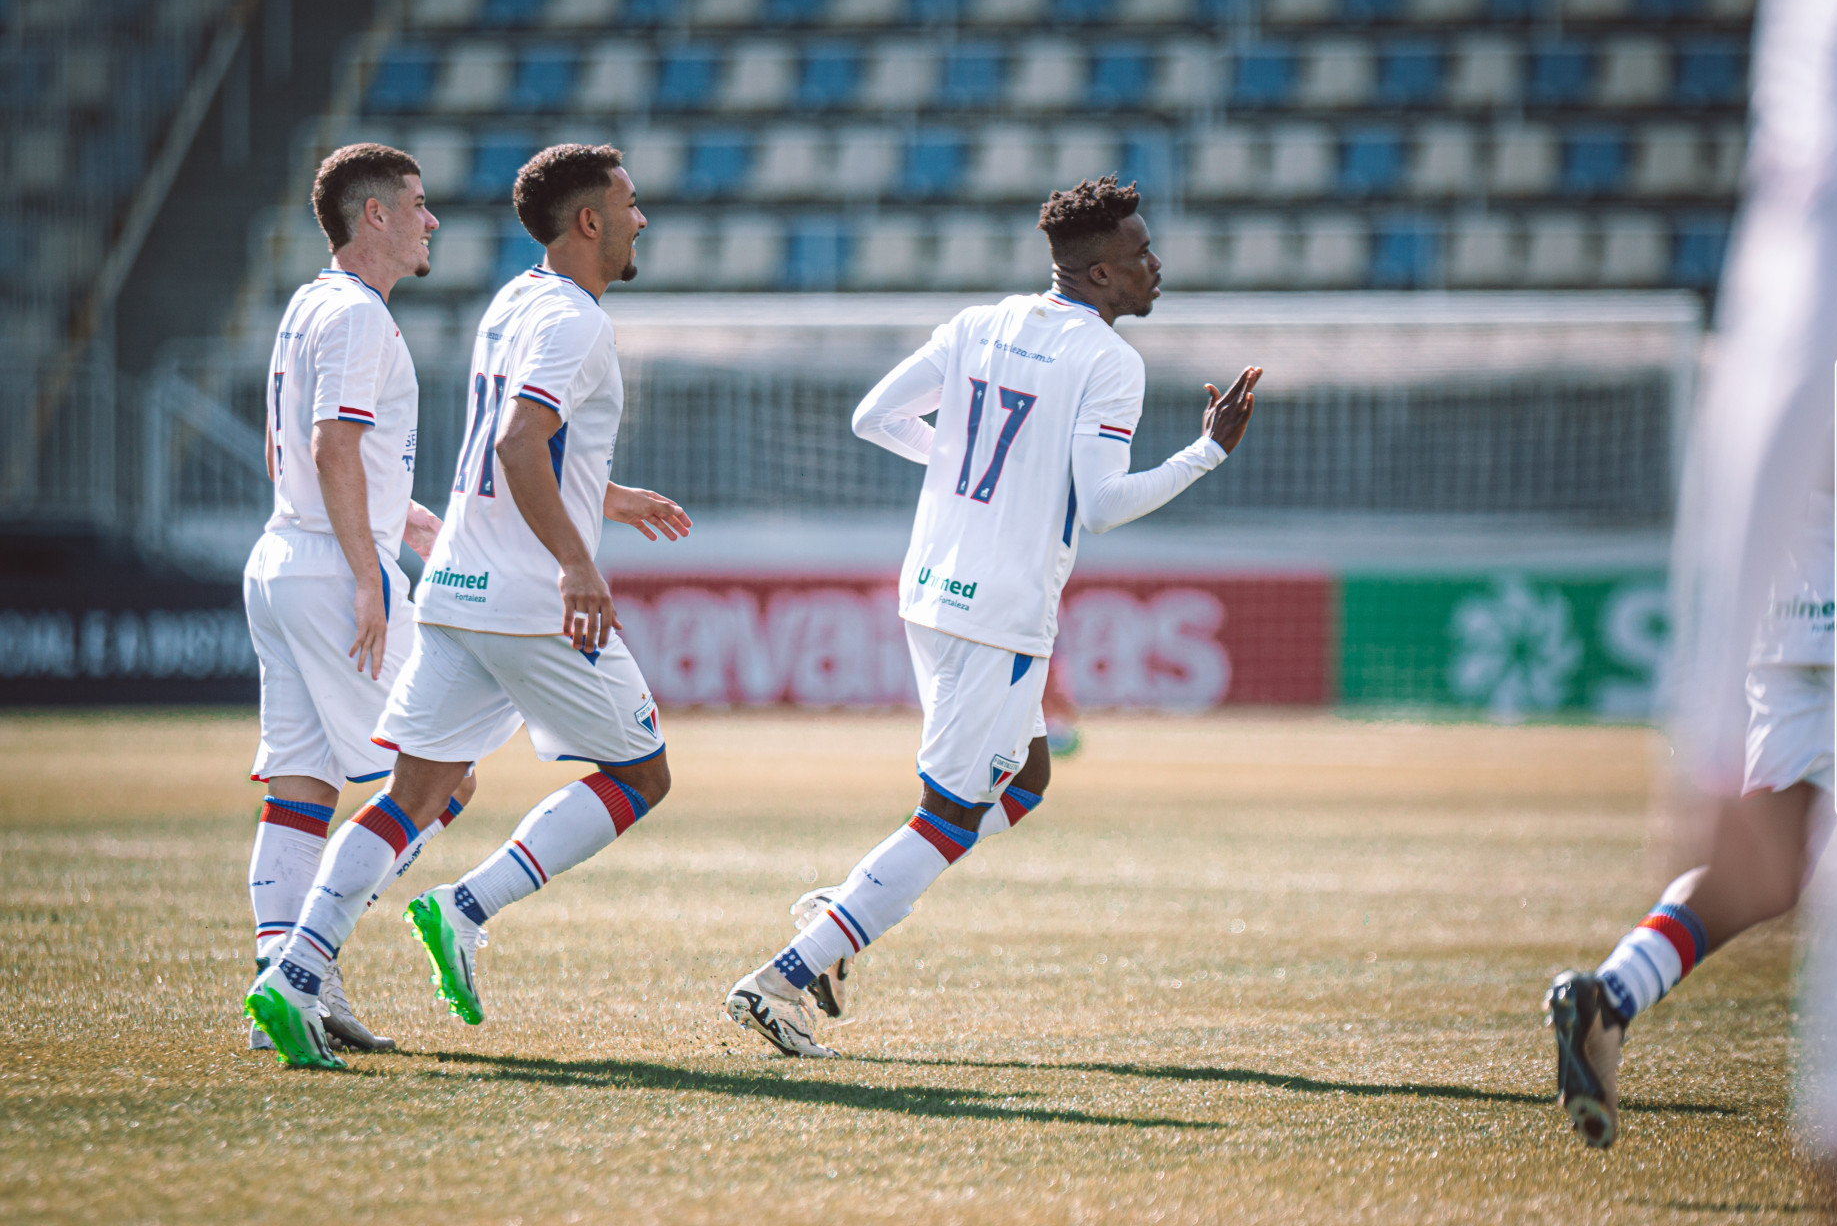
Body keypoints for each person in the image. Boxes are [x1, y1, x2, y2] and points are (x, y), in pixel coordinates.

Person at [724, 176, 1261, 1057]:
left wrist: (958, 461)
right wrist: (1205, 453)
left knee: (1028, 779)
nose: (1154, 267)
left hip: (930, 589)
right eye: (1138, 256)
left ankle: (844, 908)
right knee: (946, 815)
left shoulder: (979, 323)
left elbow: (873, 417)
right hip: (1002, 615)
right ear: (1096, 274)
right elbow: (1100, 505)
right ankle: (783, 976)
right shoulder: (1109, 362)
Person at [1550, 0, 1837, 1212]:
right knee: (1824, 860)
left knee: (1789, 861)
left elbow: (1793, 397)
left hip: (1814, 621)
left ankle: (1616, 988)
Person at [244, 143, 690, 1069]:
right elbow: (524, 447)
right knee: (643, 775)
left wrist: (612, 497)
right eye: (630, 203)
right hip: (527, 598)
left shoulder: (512, 303)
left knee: (412, 793)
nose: (643, 218)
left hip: (455, 585)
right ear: (590, 222)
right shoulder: (578, 325)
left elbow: (515, 446)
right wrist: (578, 564)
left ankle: (294, 971)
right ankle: (465, 907)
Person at [242, 142, 472, 1056]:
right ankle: (305, 968)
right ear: (373, 215)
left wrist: (403, 524)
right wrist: (369, 573)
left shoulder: (308, 304)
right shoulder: (362, 317)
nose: (431, 220)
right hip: (336, 572)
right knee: (437, 773)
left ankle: (282, 988)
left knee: (301, 790)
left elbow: (292, 452)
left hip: (283, 555)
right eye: (416, 203)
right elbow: (335, 445)